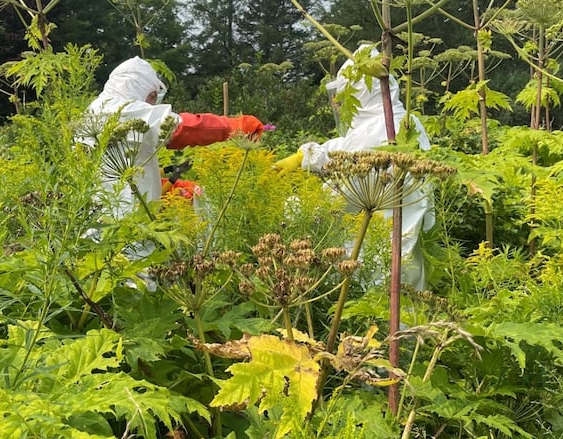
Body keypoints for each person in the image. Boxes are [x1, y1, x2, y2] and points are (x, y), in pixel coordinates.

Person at [274, 44, 434, 291]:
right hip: (401, 253)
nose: (339, 103)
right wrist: (306, 155)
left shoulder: (381, 130)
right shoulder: (402, 120)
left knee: (381, 323)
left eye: (346, 93)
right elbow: (347, 149)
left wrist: (293, 209)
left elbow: (343, 194)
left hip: (378, 263)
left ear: (361, 91)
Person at [80, 56, 264, 218]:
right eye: (152, 97)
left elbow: (118, 177)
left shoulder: (93, 111)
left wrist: (167, 187)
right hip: (127, 233)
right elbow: (181, 129)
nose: (152, 103)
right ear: (139, 88)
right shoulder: (124, 110)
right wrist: (235, 126)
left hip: (100, 225)